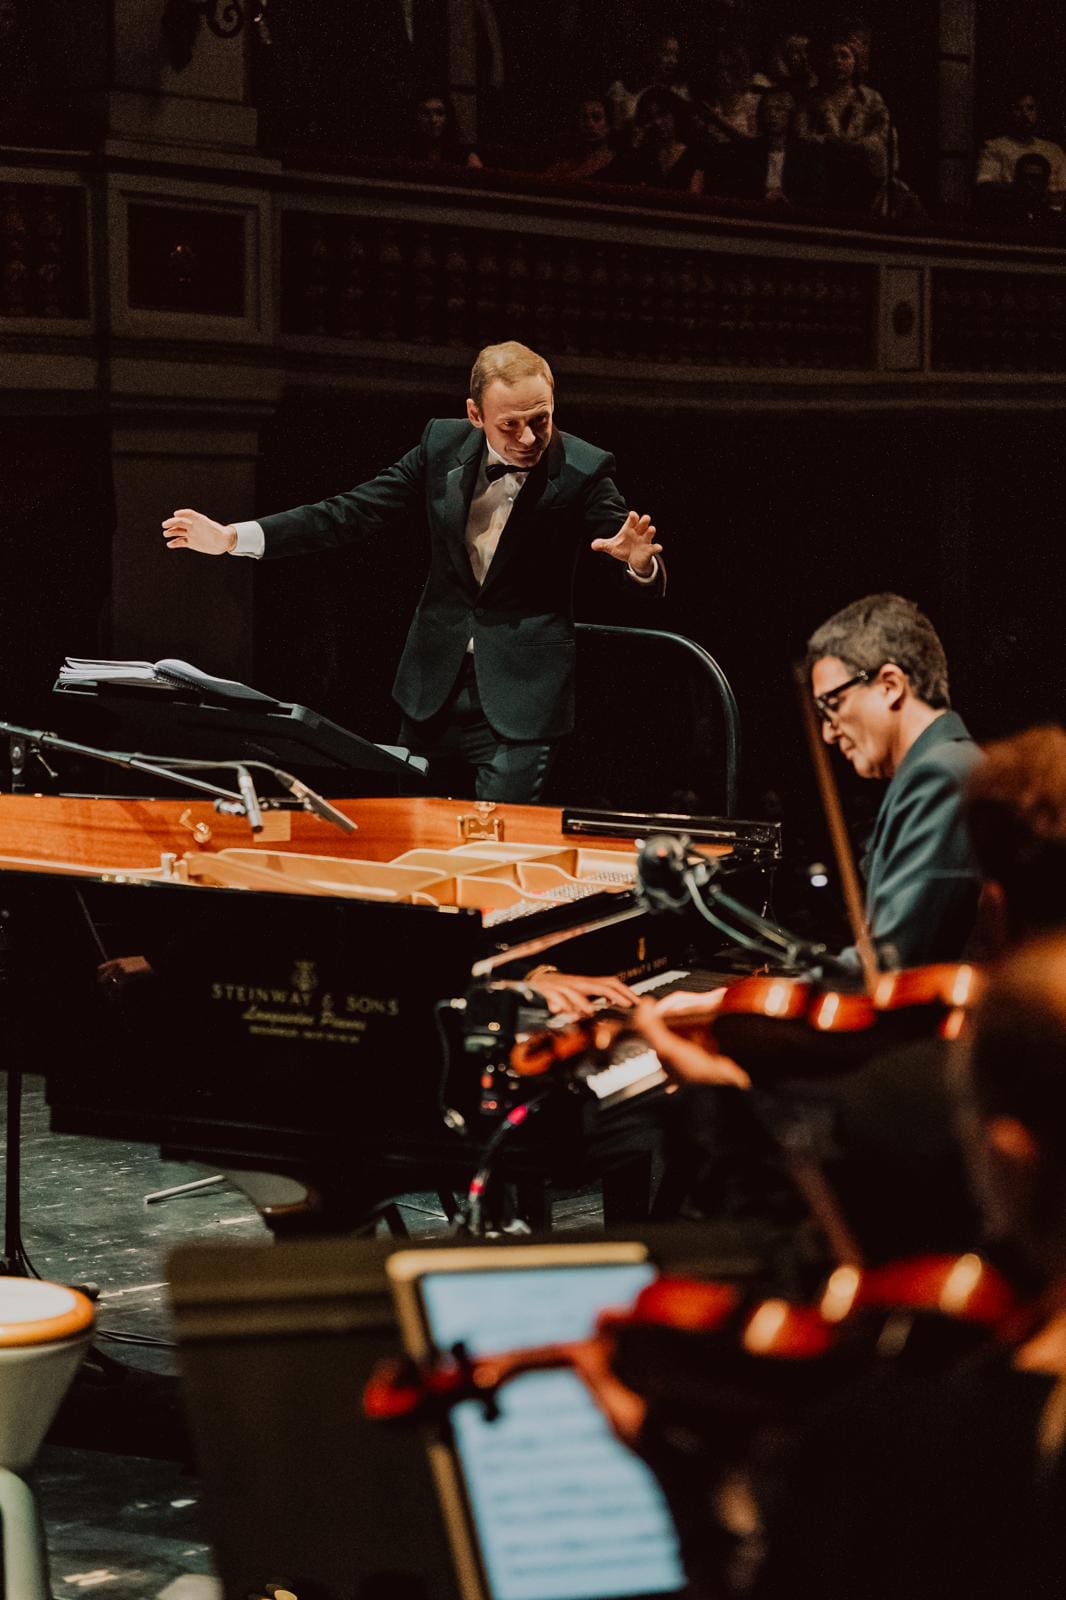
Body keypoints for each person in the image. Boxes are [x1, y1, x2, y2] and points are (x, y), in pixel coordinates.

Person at [162, 341, 665, 803]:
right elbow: (348, 513)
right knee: (417, 837)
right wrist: (232, 538)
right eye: (510, 425)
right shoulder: (439, 445)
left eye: (541, 420)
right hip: (432, 688)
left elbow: (633, 554)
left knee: (501, 845)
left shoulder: (585, 467)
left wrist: (640, 564)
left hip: (521, 698)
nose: (529, 438)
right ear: (474, 414)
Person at [806, 592, 982, 973]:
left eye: (832, 706)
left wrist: (726, 1004)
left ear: (889, 685)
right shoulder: (945, 768)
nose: (828, 734)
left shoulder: (942, 776)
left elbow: (891, 962)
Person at [794, 36, 892, 215]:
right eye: (831, 57)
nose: (837, 62)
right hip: (823, 181)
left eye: (844, 56)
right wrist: (829, 142)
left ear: (855, 61)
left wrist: (858, 146)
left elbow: (882, 134)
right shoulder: (809, 100)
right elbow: (801, 137)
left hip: (863, 181)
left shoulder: (871, 99)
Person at [975, 90, 1066, 205]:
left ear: (1038, 113)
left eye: (1030, 108)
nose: (1025, 114)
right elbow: (985, 183)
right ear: (1010, 113)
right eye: (1018, 109)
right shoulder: (995, 147)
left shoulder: (1053, 150)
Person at [402, 90, 482, 170]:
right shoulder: (405, 153)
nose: (433, 120)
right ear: (415, 117)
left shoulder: (465, 156)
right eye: (425, 113)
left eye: (439, 113)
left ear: (448, 118)